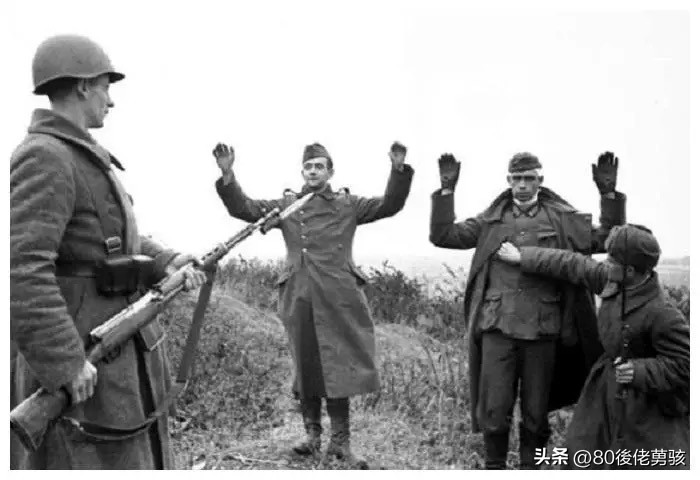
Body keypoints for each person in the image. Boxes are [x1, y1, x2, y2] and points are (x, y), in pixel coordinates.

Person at [10, 34, 207, 469]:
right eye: (105, 87)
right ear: (83, 86)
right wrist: (64, 361)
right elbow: (21, 268)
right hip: (82, 357)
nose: (111, 100)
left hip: (113, 355)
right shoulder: (45, 156)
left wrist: (165, 261)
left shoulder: (79, 154)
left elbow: (108, 239)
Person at [213, 141, 413, 466]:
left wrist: (398, 170)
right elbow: (245, 209)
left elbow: (390, 204)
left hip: (339, 297)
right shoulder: (288, 205)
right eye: (308, 167)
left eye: (320, 166)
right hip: (300, 295)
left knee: (339, 367)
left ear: (331, 172)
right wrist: (227, 175)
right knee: (306, 365)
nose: (313, 171)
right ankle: (312, 436)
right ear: (302, 172)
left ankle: (340, 443)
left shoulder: (348, 204)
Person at [429, 151, 626, 469]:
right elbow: (443, 235)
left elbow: (607, 239)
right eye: (516, 178)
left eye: (529, 178)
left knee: (536, 414)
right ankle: (494, 469)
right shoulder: (490, 220)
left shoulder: (562, 219)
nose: (522, 185)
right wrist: (447, 191)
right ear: (508, 181)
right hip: (497, 327)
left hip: (543, 330)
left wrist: (609, 196)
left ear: (540, 181)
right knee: (494, 410)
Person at [496, 224, 689, 469]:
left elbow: (685, 364)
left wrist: (639, 371)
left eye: (612, 261)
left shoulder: (664, 314)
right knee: (581, 455)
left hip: (647, 406)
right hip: (603, 391)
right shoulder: (611, 280)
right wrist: (523, 257)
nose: (605, 264)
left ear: (630, 270)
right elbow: (570, 263)